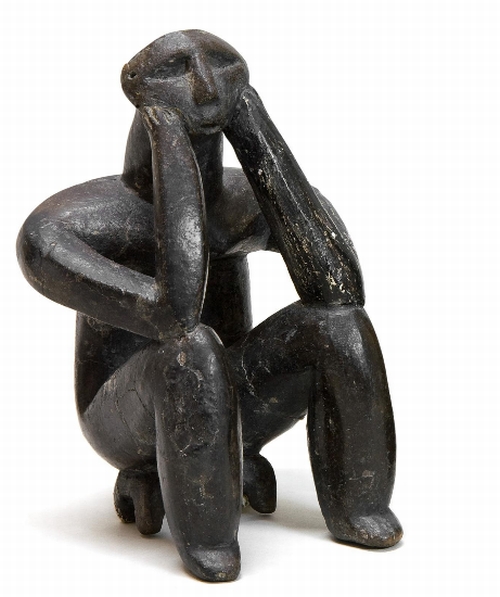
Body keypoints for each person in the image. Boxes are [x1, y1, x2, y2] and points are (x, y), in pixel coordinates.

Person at [17, 30, 402, 582]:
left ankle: (359, 507)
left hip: (233, 391)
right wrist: (171, 144)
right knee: (191, 348)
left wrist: (254, 129)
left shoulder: (242, 197)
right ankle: (210, 541)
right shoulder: (62, 227)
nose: (204, 88)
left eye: (222, 65)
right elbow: (175, 314)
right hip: (126, 416)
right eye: (178, 70)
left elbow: (341, 286)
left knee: (339, 327)